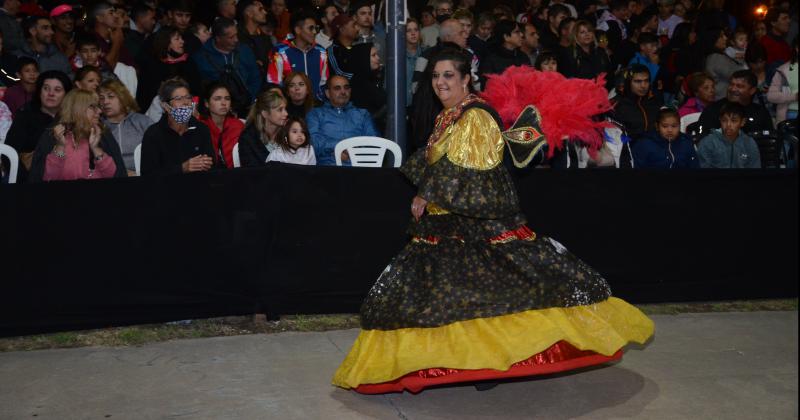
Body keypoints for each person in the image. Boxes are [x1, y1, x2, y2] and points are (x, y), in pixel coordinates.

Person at [332, 48, 654, 394]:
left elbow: (471, 167)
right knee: (447, 298)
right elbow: (440, 160)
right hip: (446, 223)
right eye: (436, 76)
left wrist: (428, 193)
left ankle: (493, 362)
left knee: (490, 295)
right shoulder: (450, 116)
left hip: (477, 223)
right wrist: (428, 188)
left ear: (465, 78)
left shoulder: (476, 116)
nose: (440, 82)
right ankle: (458, 362)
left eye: (448, 76)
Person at [28, 88, 127, 182]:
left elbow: (115, 177)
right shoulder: (54, 135)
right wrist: (60, 147)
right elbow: (47, 179)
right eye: (93, 107)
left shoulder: (101, 133)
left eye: (98, 106)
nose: (100, 111)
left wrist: (96, 149)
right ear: (77, 109)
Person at [4, 70, 71, 181]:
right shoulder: (25, 115)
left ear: (67, 94)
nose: (51, 93)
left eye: (57, 90)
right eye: (46, 88)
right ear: (39, 91)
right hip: (31, 181)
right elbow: (9, 153)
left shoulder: (72, 117)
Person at [139, 77, 215, 176]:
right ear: (165, 106)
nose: (186, 102)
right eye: (178, 99)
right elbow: (148, 174)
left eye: (188, 97)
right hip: (166, 189)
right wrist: (182, 168)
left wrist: (207, 164)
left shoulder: (201, 129)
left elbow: (212, 165)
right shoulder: (153, 134)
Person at [192, 17, 262, 117]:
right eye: (231, 37)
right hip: (215, 113)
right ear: (218, 38)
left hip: (247, 107)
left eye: (236, 35)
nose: (236, 40)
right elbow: (200, 89)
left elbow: (255, 78)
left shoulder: (245, 50)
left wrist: (251, 99)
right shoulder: (200, 58)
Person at [306, 74, 379, 165]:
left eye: (346, 88)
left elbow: (374, 142)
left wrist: (352, 152)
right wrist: (340, 148)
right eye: (337, 88)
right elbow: (314, 143)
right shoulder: (315, 114)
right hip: (326, 170)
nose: (343, 92)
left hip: (359, 169)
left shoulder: (363, 114)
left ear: (350, 91)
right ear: (328, 93)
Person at [136, 26, 200, 114]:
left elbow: (196, 91)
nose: (182, 41)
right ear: (166, 43)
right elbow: (143, 96)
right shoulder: (152, 66)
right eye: (177, 39)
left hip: (187, 111)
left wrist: (194, 107)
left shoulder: (189, 64)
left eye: (181, 38)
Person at [99, 79, 153, 175]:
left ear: (123, 98)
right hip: (110, 178)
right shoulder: (98, 127)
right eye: (101, 98)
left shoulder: (143, 121)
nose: (105, 102)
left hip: (143, 177)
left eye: (110, 96)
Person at [697, 70, 774, 135]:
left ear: (752, 90)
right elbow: (703, 139)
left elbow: (769, 140)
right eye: (731, 84)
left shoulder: (760, 113)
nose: (733, 89)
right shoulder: (713, 110)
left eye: (739, 86)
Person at [697, 101, 761, 168]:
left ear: (742, 122)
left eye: (734, 121)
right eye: (724, 120)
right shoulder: (708, 142)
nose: (728, 125)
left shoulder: (749, 143)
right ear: (720, 120)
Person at [196, 82, 245, 169]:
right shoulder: (199, 127)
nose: (223, 103)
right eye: (217, 99)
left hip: (236, 176)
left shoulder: (238, 126)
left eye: (227, 98)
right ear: (206, 103)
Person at [633, 107, 699, 168]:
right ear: (657, 126)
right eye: (665, 126)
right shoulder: (644, 144)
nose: (670, 130)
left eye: (674, 126)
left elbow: (694, 165)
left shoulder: (686, 142)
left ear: (679, 125)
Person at [238, 88, 288, 167]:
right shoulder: (248, 138)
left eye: (285, 109)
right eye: (280, 110)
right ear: (265, 113)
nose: (286, 113)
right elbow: (250, 172)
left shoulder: (289, 132)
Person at [612, 64, 663, 141]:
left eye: (646, 80)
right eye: (637, 81)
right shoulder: (617, 105)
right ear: (628, 82)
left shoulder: (655, 98)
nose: (643, 85)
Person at [700, 28, 746, 100]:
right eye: (721, 36)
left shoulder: (716, 56)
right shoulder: (715, 58)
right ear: (713, 40)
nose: (725, 38)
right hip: (722, 98)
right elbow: (738, 74)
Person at [236, 0, 271, 75]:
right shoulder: (235, 36)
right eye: (260, 9)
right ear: (249, 13)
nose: (265, 12)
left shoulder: (266, 39)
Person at [767, 37, 798, 123]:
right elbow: (771, 96)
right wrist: (794, 97)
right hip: (789, 117)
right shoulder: (784, 70)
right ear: (797, 48)